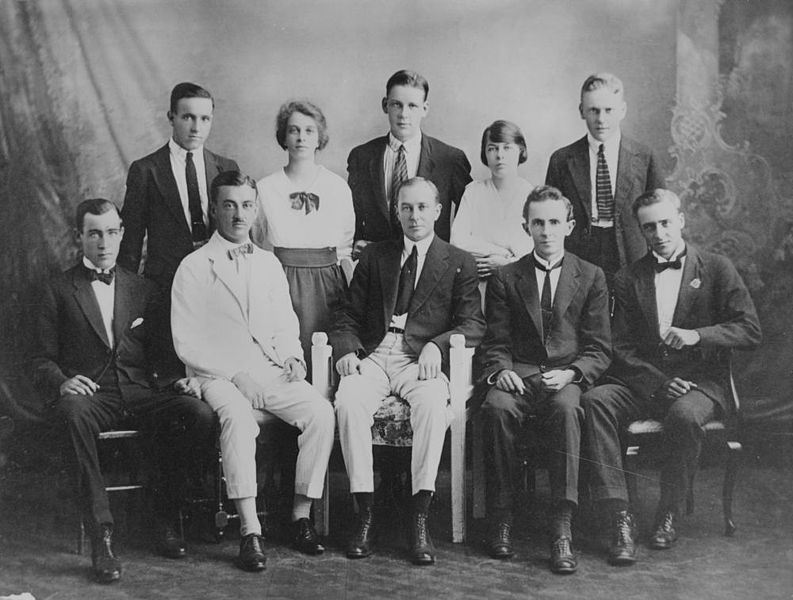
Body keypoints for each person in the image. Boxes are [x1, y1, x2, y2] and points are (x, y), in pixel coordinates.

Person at [30, 199, 216, 584]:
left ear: (122, 234)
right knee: (71, 414)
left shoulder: (140, 287)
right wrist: (62, 381)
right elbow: (37, 359)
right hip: (93, 395)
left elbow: (161, 354)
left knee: (197, 413)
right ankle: (103, 534)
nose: (104, 241)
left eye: (112, 232)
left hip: (140, 390)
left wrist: (175, 381)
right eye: (94, 233)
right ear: (78, 236)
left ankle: (166, 516)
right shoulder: (57, 289)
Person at [581, 189, 761, 566]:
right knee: (595, 401)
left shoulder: (716, 267)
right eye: (649, 227)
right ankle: (620, 515)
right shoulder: (628, 278)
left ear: (680, 219)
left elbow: (749, 329)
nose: (659, 233)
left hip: (699, 384)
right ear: (641, 232)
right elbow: (620, 346)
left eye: (665, 223)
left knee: (683, 415)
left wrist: (700, 335)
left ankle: (668, 511)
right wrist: (657, 382)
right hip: (646, 382)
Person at [171, 170, 335, 572]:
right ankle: (250, 529)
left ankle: (300, 515)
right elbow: (187, 342)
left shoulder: (267, 263)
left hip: (268, 367)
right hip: (216, 373)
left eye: (246, 205)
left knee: (321, 412)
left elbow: (284, 323)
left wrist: (293, 357)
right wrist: (234, 374)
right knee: (239, 419)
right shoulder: (194, 266)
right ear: (214, 209)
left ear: (256, 208)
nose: (238, 214)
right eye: (228, 205)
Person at [330, 177, 485, 565]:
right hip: (376, 352)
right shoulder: (375, 256)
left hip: (420, 359)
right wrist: (348, 350)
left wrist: (439, 343)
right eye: (406, 208)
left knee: (433, 404)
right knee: (348, 399)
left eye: (422, 208)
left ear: (437, 210)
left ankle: (419, 513)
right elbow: (347, 313)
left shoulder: (459, 261)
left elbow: (473, 323)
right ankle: (363, 509)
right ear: (396, 212)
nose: (414, 216)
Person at [477, 185, 611, 574]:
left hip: (565, 376)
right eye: (538, 222)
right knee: (496, 408)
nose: (547, 230)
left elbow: (600, 347)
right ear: (526, 226)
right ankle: (501, 514)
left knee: (570, 410)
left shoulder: (591, 276)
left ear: (569, 225)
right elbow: (495, 340)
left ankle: (561, 522)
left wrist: (572, 373)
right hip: (519, 373)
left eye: (554, 222)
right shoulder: (506, 277)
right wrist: (501, 371)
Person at [118, 82, 239, 382]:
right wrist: (124, 303)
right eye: (187, 117)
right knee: (174, 377)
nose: (196, 127)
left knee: (219, 371)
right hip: (166, 288)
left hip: (217, 286)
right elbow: (130, 242)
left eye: (204, 119)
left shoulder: (225, 167)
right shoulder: (146, 170)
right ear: (171, 116)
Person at [252, 100, 354, 369]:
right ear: (283, 137)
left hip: (327, 282)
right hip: (281, 278)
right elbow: (258, 241)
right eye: (294, 130)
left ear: (319, 137)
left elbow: (345, 244)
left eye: (309, 131)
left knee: (325, 357)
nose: (301, 137)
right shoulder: (265, 188)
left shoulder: (337, 187)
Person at [545, 73, 665, 289]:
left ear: (622, 110)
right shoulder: (562, 159)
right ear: (582, 111)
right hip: (580, 252)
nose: (601, 119)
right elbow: (550, 215)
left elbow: (661, 213)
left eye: (608, 110)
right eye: (593, 110)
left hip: (631, 252)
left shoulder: (644, 157)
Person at [347, 69, 471, 256]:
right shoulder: (362, 157)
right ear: (385, 105)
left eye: (412, 106)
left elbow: (470, 216)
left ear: (425, 109)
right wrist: (355, 241)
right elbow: (351, 212)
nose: (404, 114)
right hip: (376, 264)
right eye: (397, 105)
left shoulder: (450, 159)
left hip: (430, 266)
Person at [450, 120, 534, 291]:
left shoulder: (531, 195)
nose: (499, 155)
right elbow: (458, 241)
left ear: (521, 150)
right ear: (485, 154)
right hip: (477, 282)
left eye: (507, 148)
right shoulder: (473, 192)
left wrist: (506, 265)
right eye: (492, 148)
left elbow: (533, 249)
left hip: (519, 284)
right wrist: (503, 254)